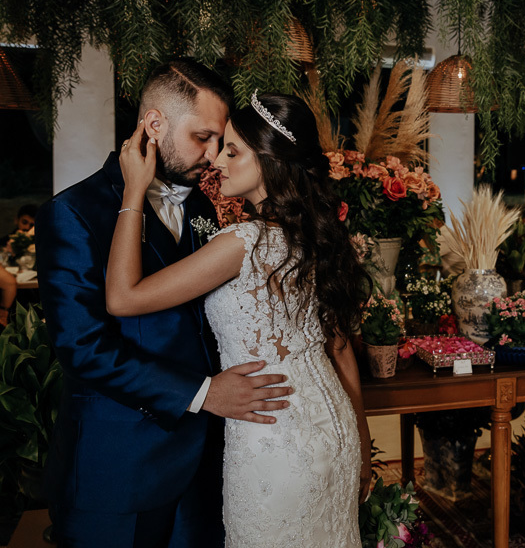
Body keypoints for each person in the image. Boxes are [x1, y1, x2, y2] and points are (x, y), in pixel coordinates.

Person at [36, 59, 292, 548]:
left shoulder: (201, 208)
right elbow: (83, 346)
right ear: (155, 124)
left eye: (220, 141)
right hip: (118, 473)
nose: (213, 154)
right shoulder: (72, 213)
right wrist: (203, 393)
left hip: (206, 464)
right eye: (203, 137)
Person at [106, 90, 372, 546]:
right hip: (334, 429)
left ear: (270, 160)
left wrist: (133, 191)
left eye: (232, 151)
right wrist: (362, 443)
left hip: (273, 439)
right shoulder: (314, 237)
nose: (217, 162)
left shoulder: (241, 243)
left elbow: (123, 298)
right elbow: (339, 345)